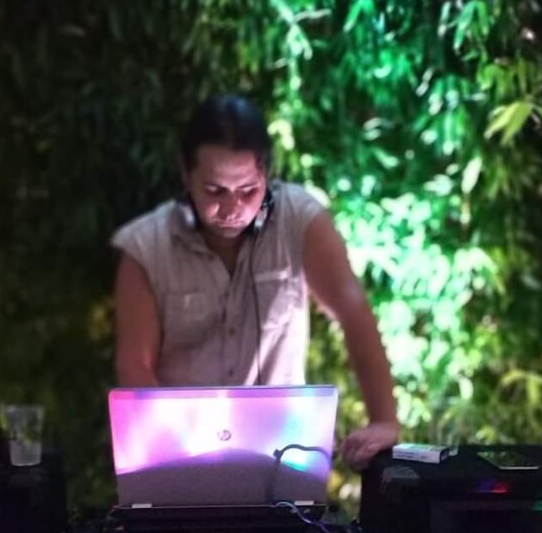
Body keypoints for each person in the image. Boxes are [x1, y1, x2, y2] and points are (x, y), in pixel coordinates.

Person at [111, 94, 399, 470]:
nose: (232, 209)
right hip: (181, 463)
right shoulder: (145, 247)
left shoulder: (299, 220)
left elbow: (353, 310)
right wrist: (177, 451)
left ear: (267, 175)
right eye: (215, 191)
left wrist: (384, 420)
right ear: (186, 175)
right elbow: (135, 366)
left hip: (282, 462)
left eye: (248, 191)